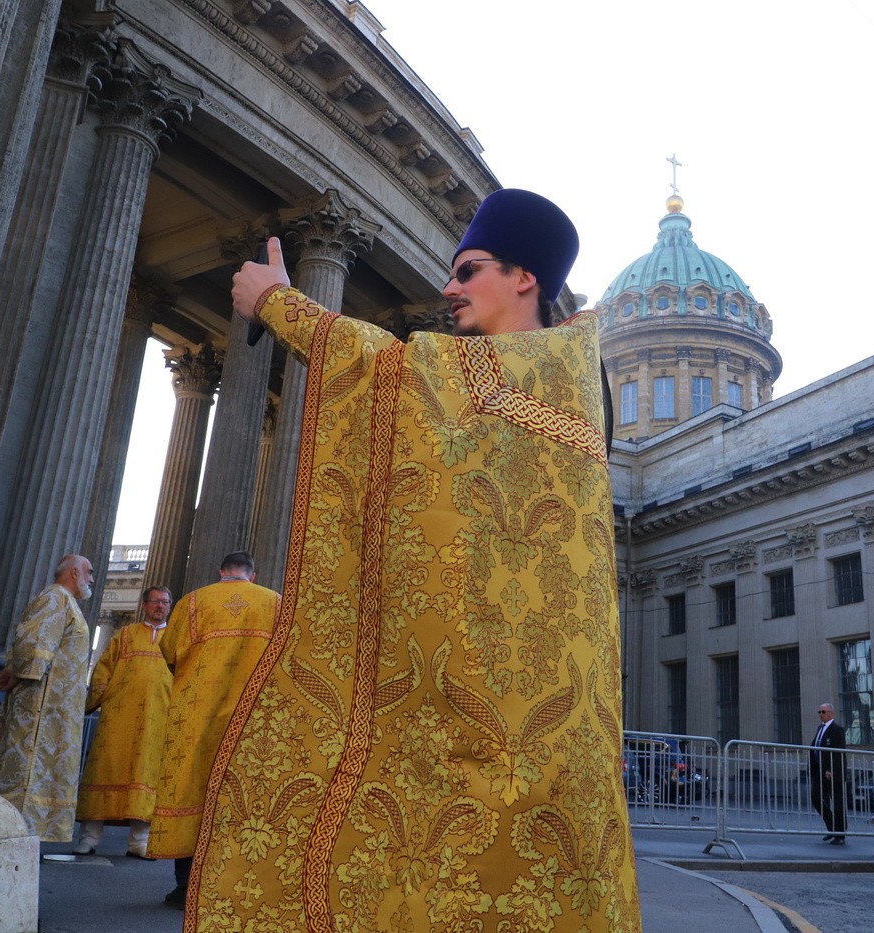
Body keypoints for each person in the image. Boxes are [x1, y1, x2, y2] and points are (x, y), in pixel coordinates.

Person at [186, 188, 639, 932]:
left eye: (469, 270)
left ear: (525, 277)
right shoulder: (569, 378)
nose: (448, 288)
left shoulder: (548, 364)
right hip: (533, 740)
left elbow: (396, 376)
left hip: (516, 745)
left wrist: (280, 304)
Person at [147, 553, 281, 908]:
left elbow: (169, 651)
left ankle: (184, 887)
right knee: (243, 795)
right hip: (253, 717)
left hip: (197, 715)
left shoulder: (193, 601)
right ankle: (234, 885)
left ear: (221, 572)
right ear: (254, 574)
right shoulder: (275, 602)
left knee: (192, 789)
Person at [0, 554, 94, 842]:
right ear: (74, 572)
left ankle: (31, 834)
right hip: (42, 706)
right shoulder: (55, 597)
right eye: (89, 572)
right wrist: (20, 672)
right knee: (30, 770)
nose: (92, 578)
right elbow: (36, 641)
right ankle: (18, 835)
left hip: (57, 708)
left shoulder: (67, 603)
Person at [73, 585, 174, 858]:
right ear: (144, 605)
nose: (160, 606)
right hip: (119, 718)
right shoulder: (126, 634)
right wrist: (96, 700)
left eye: (165, 602)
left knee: (147, 775)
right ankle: (90, 838)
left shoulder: (176, 638)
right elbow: (103, 667)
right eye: (155, 601)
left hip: (158, 719)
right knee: (105, 770)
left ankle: (139, 842)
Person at [809, 703, 847, 844]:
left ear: (831, 713)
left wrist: (830, 769)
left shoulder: (837, 730)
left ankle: (840, 834)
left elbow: (839, 753)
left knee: (837, 803)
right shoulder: (820, 728)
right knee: (816, 798)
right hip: (819, 771)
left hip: (833, 773)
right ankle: (832, 827)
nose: (820, 714)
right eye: (819, 711)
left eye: (823, 711)